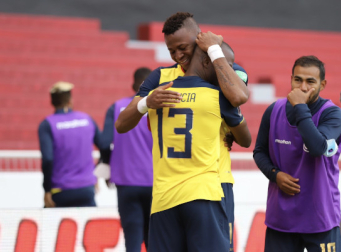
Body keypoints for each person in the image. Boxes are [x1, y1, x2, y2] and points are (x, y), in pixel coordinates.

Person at [115, 12, 249, 250]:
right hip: (169, 191)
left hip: (215, 183)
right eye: (171, 51)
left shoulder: (223, 68)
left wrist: (215, 51)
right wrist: (147, 102)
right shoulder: (160, 77)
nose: (178, 56)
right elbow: (122, 123)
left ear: (199, 39)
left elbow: (239, 97)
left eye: (182, 48)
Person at [146, 43, 252, 252]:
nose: (227, 70)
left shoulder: (158, 90)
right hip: (208, 188)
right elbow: (246, 139)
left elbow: (138, 124)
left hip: (165, 194)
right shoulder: (218, 95)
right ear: (207, 60)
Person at [253, 55, 341, 252]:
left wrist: (300, 107)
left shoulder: (332, 114)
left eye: (310, 81)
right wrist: (274, 174)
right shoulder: (274, 110)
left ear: (323, 84)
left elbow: (317, 147)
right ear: (291, 79)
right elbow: (259, 151)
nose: (303, 87)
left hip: (320, 218)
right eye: (298, 80)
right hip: (281, 218)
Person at [99, 67, 152, 252]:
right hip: (157, 183)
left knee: (132, 239)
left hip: (126, 182)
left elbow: (104, 143)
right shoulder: (160, 108)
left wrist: (106, 165)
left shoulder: (116, 107)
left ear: (133, 85)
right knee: (155, 238)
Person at [38, 81, 102, 207]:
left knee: (51, 226)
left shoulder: (47, 125)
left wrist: (46, 189)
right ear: (70, 100)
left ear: (52, 102)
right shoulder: (86, 119)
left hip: (60, 191)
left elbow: (48, 160)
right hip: (87, 188)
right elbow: (105, 146)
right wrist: (95, 174)